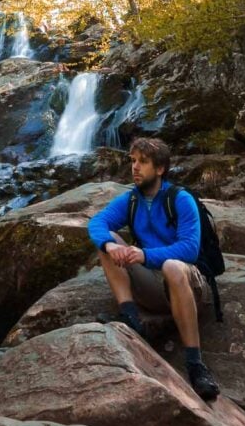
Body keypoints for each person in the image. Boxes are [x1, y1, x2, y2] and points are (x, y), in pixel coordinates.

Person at [87, 137, 220, 401]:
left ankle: (195, 364)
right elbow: (97, 222)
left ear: (160, 169)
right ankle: (131, 318)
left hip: (185, 287)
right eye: (133, 161)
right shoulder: (131, 200)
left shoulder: (180, 199)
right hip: (152, 287)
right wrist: (110, 246)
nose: (135, 167)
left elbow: (189, 249)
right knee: (106, 240)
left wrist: (145, 254)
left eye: (143, 162)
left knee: (171, 265)